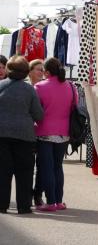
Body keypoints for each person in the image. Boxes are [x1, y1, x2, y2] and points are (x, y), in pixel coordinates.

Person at [0, 56, 44, 214]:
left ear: (9, 70)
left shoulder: (1, 85)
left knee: (3, 172)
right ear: (26, 72)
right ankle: (24, 206)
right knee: (24, 173)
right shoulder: (29, 90)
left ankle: (1, 205)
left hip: (2, 135)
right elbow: (38, 115)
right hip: (25, 136)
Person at [34, 57, 77, 212]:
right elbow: (74, 106)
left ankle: (50, 202)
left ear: (46, 71)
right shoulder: (71, 86)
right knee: (58, 167)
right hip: (64, 132)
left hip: (44, 131)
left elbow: (35, 110)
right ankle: (58, 201)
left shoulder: (39, 86)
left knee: (47, 167)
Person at [29, 59, 45, 206]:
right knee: (28, 166)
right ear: (30, 71)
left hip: (42, 131)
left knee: (41, 166)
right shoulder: (27, 87)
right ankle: (27, 194)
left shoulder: (45, 88)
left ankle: (38, 194)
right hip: (28, 132)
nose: (41, 72)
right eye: (38, 69)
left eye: (42, 69)